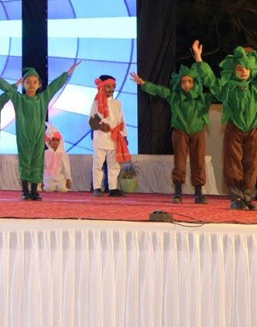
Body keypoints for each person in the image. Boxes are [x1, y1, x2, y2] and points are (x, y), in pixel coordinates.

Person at [131, 40, 213, 203]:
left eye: (190, 81)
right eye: (183, 82)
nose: (186, 84)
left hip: (197, 133)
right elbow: (160, 90)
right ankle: (178, 192)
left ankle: (198, 193)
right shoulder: (175, 97)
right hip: (180, 132)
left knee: (198, 161)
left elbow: (212, 84)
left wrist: (199, 59)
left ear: (194, 83)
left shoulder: (201, 98)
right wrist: (144, 84)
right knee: (180, 162)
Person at [0, 63, 78, 201]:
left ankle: (34, 191)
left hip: (38, 136)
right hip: (24, 136)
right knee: (25, 161)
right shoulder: (19, 99)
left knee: (37, 161)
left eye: (35, 82)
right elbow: (8, 89)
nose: (31, 85)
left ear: (39, 84)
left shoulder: (43, 98)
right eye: (28, 82)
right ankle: (25, 191)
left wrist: (68, 73)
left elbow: (55, 86)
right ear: (23, 84)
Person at [208, 46, 257, 210]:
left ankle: (247, 196)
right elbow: (213, 84)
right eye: (239, 68)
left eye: (247, 68)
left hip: (253, 130)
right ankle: (237, 197)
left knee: (251, 162)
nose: (243, 72)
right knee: (233, 162)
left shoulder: (254, 89)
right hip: (234, 129)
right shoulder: (229, 88)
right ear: (233, 70)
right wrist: (200, 61)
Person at [89, 74, 129, 197]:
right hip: (101, 138)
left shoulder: (117, 103)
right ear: (102, 87)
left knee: (114, 164)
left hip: (115, 138)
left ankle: (113, 188)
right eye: (108, 86)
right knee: (98, 163)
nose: (111, 89)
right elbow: (91, 120)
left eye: (113, 86)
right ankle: (97, 188)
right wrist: (101, 126)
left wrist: (124, 137)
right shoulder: (96, 103)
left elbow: (122, 121)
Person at [42, 126, 72, 193]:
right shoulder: (46, 153)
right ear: (49, 141)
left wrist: (68, 179)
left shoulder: (63, 153)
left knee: (63, 190)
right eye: (53, 140)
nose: (55, 142)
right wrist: (41, 181)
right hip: (48, 177)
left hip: (59, 176)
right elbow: (42, 167)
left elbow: (66, 167)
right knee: (48, 189)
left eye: (57, 140)